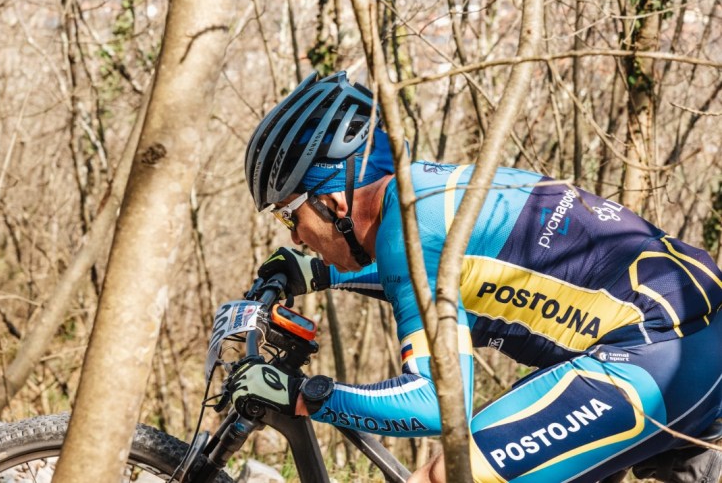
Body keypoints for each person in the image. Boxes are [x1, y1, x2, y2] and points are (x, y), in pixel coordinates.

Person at [227, 71, 722, 482]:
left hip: (655, 355)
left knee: (445, 476)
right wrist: (317, 272)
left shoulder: (409, 235)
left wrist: (304, 395)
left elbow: (433, 405)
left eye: (289, 216)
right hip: (685, 337)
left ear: (332, 203)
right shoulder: (428, 194)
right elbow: (445, 278)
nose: (296, 236)